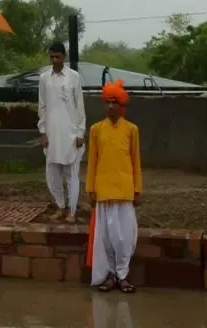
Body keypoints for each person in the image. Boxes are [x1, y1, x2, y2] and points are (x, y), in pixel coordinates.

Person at [86, 78, 142, 294]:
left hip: (125, 191)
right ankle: (110, 275)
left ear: (122, 106)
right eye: (107, 102)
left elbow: (136, 161)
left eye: (114, 102)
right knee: (107, 237)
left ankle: (123, 274)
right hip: (103, 191)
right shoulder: (96, 130)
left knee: (125, 237)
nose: (110, 106)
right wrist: (90, 189)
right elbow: (92, 162)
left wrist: (138, 190)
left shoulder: (131, 130)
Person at [37, 41, 86, 223]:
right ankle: (60, 206)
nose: (54, 60)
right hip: (51, 132)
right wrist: (42, 131)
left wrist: (80, 133)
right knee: (53, 172)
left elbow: (80, 106)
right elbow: (42, 106)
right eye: (51, 57)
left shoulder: (74, 77)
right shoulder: (44, 78)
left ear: (63, 56)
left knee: (71, 174)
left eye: (57, 57)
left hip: (71, 132)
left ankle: (72, 211)